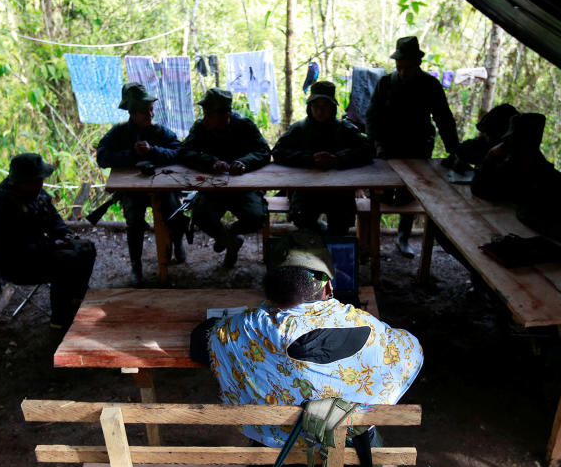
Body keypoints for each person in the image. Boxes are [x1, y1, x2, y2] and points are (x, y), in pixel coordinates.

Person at [190, 231, 424, 448]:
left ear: (272, 289)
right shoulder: (367, 327)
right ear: (329, 285)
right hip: (352, 466)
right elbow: (412, 349)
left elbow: (200, 343)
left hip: (277, 466)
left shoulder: (242, 330)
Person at [0, 153, 96, 330]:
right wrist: (51, 246)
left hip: (39, 251)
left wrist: (66, 236)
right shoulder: (2, 204)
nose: (42, 182)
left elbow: (54, 219)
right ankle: (60, 320)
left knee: (86, 248)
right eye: (37, 179)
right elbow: (9, 248)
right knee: (65, 260)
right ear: (23, 180)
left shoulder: (35, 192)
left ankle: (77, 299)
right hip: (14, 263)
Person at [366, 36, 459, 258]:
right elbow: (372, 116)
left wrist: (454, 150)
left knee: (410, 192)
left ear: (417, 64)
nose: (403, 71)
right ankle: (371, 239)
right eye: (399, 67)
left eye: (407, 67)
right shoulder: (386, 83)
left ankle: (403, 236)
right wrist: (376, 142)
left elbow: (443, 118)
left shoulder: (429, 85)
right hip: (388, 146)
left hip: (418, 146)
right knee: (380, 193)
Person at [96, 82, 187, 286]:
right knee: (135, 222)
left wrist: (153, 151)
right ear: (132, 113)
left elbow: (179, 152)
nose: (150, 115)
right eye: (145, 111)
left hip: (163, 187)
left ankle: (178, 240)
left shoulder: (160, 132)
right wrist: (131, 154)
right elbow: (102, 157)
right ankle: (136, 265)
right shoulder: (118, 134)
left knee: (175, 213)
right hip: (132, 190)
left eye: (151, 110)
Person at [178, 88, 271, 268]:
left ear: (226, 115)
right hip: (213, 189)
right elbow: (184, 152)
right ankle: (231, 242)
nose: (205, 118)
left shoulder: (244, 126)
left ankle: (229, 235)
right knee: (199, 215)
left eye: (209, 114)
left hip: (243, 189)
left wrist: (244, 162)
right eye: (204, 114)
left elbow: (264, 151)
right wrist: (211, 162)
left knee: (257, 217)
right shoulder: (200, 128)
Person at [272, 80, 374, 235]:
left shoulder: (344, 128)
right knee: (303, 223)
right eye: (316, 106)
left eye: (325, 106)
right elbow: (278, 152)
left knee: (340, 227)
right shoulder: (299, 129)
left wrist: (338, 159)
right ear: (309, 107)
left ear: (332, 107)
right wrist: (309, 159)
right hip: (305, 190)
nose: (320, 111)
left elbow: (368, 150)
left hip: (339, 191)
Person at [472, 112, 561, 237]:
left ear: (532, 143)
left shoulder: (553, 180)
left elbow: (541, 219)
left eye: (518, 141)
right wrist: (490, 158)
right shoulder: (510, 168)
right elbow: (480, 189)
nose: (511, 145)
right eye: (510, 141)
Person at [451, 103, 519, 170]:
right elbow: (460, 151)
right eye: (485, 134)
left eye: (487, 134)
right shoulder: (483, 145)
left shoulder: (515, 157)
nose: (485, 136)